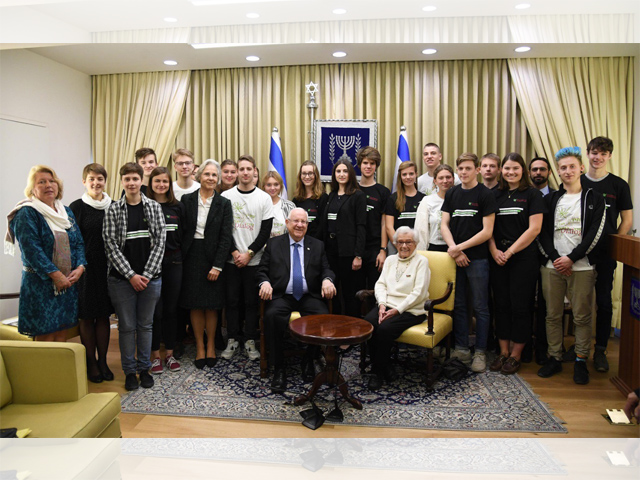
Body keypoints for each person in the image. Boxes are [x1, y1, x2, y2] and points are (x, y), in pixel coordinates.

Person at [537, 147, 606, 385]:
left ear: (581, 168)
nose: (567, 171)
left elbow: (595, 234)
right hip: (552, 266)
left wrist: (572, 258)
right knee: (552, 315)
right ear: (558, 172)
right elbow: (542, 233)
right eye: (563, 168)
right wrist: (557, 257)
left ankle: (580, 360)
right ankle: (554, 357)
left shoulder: (595, 199)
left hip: (583, 267)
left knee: (582, 317)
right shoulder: (551, 199)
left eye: (572, 167)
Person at [257, 208, 337, 393]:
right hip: (282, 295)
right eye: (296, 221)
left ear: (307, 225)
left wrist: (327, 279)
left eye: (303, 222)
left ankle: (309, 359)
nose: (299, 225)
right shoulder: (274, 244)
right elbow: (261, 270)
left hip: (309, 296)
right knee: (272, 316)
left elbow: (327, 269)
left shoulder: (317, 245)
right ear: (287, 223)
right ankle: (279, 368)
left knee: (322, 316)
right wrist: (265, 282)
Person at [103, 162, 166, 391]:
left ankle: (144, 369)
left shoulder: (153, 207)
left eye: (135, 179)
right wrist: (131, 275)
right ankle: (130, 371)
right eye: (127, 179)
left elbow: (160, 243)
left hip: (150, 279)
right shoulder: (113, 209)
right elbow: (110, 246)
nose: (131, 183)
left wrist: (146, 275)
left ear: (142, 181)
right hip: (121, 281)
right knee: (127, 327)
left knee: (146, 326)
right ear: (122, 182)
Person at [6, 165, 86, 341]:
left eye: (52, 181)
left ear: (58, 186)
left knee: (62, 331)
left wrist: (80, 267)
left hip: (67, 284)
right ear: (32, 189)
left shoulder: (66, 211)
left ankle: (57, 369)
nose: (48, 185)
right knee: (45, 336)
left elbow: (78, 242)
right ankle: (43, 369)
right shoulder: (26, 213)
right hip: (41, 285)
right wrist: (57, 276)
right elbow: (32, 251)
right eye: (41, 182)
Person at [487, 153, 545, 375]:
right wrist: (494, 251)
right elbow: (488, 227)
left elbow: (534, 229)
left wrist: (510, 251)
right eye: (507, 168)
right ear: (502, 170)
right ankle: (503, 351)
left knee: (520, 306)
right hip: (498, 257)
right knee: (500, 304)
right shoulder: (494, 195)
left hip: (523, 258)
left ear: (524, 171)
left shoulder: (532, 195)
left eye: (516, 168)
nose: (511, 172)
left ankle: (516, 354)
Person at [579, 136, 633, 372]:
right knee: (580, 302)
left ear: (609, 156)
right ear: (587, 154)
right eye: (594, 152)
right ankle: (579, 347)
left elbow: (627, 219)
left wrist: (614, 244)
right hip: (578, 253)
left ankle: (600, 349)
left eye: (603, 153)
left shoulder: (619, 185)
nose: (598, 157)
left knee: (603, 301)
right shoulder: (576, 182)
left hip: (605, 254)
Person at [441, 153, 497, 373]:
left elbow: (487, 231)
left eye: (467, 168)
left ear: (477, 170)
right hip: (455, 258)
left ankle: (480, 351)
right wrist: (454, 251)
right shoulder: (452, 193)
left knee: (481, 307)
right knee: (460, 305)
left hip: (478, 260)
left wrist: (459, 248)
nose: (463, 172)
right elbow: (444, 224)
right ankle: (462, 348)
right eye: (460, 169)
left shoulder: (485, 194)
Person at [181, 159, 233, 369]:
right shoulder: (186, 200)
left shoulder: (224, 203)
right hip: (191, 256)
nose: (211, 178)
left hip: (213, 258)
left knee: (212, 306)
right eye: (207, 174)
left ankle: (211, 345)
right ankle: (200, 347)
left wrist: (218, 265)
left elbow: (226, 237)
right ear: (199, 176)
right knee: (195, 304)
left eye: (214, 175)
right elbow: (182, 231)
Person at [363, 227, 430, 390]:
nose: (404, 246)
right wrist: (382, 304)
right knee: (368, 324)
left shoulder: (422, 262)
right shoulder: (391, 260)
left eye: (408, 242)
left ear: (415, 243)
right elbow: (380, 284)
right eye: (400, 242)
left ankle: (377, 371)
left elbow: (418, 293)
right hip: (387, 306)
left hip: (412, 310)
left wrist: (397, 310)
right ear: (395, 243)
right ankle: (385, 365)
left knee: (385, 329)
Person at [222, 155, 274, 360]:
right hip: (231, 261)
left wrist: (249, 253)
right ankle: (233, 339)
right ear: (237, 172)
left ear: (255, 171)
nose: (244, 173)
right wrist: (235, 253)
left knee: (252, 302)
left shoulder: (264, 198)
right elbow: (224, 230)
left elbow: (265, 231)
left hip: (255, 261)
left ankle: (250, 340)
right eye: (241, 169)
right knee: (232, 302)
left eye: (248, 169)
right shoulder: (226, 196)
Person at [69, 163, 114, 383]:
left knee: (104, 315)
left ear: (105, 181)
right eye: (91, 179)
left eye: (100, 179)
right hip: (84, 269)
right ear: (84, 181)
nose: (96, 183)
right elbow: (72, 241)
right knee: (86, 317)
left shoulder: (113, 206)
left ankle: (103, 360)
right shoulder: (76, 207)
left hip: (108, 269)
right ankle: (91, 362)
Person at [147, 167, 186, 374]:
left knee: (171, 311)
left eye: (165, 181)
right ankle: (155, 356)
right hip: (151, 266)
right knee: (156, 312)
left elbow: (184, 236)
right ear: (151, 184)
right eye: (157, 181)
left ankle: (169, 354)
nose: (161, 185)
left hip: (174, 264)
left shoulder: (177, 207)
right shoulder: (145, 206)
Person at [322, 159, 367, 317]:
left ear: (351, 174)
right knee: (333, 292)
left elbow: (361, 226)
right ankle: (334, 329)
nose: (341, 174)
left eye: (345, 171)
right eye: (338, 171)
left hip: (349, 253)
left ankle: (351, 332)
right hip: (331, 251)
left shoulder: (358, 196)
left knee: (349, 294)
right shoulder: (331, 195)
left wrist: (358, 255)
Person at [529, 156, 556, 365]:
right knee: (527, 303)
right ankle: (527, 346)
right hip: (526, 255)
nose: (538, 173)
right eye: (535, 169)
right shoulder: (526, 195)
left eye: (542, 169)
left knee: (548, 305)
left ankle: (544, 349)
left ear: (549, 172)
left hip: (551, 256)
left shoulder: (558, 197)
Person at [357, 147, 390, 287]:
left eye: (372, 163)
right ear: (359, 165)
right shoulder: (352, 190)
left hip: (375, 249)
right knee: (354, 293)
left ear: (376, 166)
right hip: (356, 250)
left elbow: (384, 224)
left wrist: (383, 250)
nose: (368, 166)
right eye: (365, 163)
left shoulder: (383, 192)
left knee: (375, 291)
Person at [415, 164, 455, 252]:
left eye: (448, 177)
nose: (445, 181)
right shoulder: (427, 200)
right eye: (441, 178)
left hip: (457, 248)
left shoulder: (460, 200)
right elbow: (421, 230)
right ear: (435, 181)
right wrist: (421, 253)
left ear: (453, 179)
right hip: (434, 248)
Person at [385, 161, 425, 249]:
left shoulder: (424, 199)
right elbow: (389, 227)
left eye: (411, 174)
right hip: (397, 247)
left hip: (419, 247)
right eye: (404, 174)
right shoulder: (393, 198)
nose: (408, 177)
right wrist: (400, 247)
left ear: (416, 174)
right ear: (400, 176)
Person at [292, 160, 328, 239]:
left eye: (310, 173)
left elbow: (323, 226)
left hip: (317, 243)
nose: (307, 177)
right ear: (300, 176)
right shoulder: (296, 199)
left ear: (316, 176)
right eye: (304, 173)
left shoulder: (323, 198)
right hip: (299, 241)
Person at [263, 171, 295, 237]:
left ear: (280, 186)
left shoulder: (290, 206)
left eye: (276, 184)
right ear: (264, 187)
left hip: (284, 245)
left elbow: (294, 229)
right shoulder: (259, 205)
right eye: (269, 185)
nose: (272, 188)